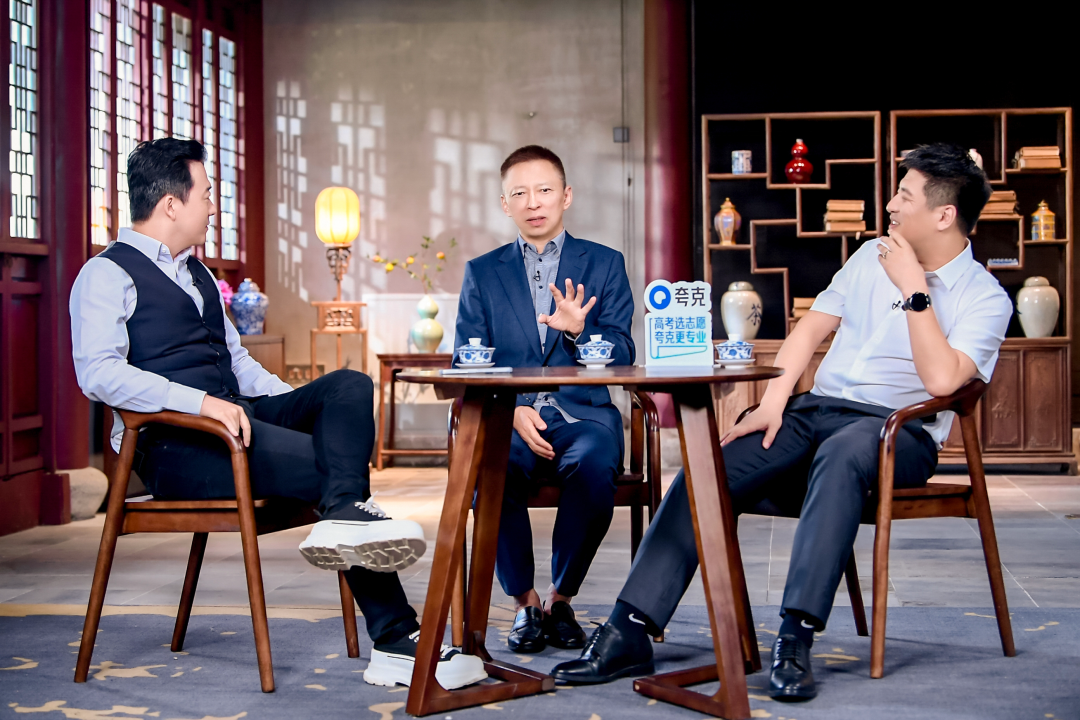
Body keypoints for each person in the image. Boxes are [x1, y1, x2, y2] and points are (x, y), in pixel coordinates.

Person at [551, 143, 1011, 701]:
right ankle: (629, 629)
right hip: (817, 412)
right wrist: (773, 401)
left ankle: (794, 637)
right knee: (710, 466)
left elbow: (942, 382)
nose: (890, 205)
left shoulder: (984, 297)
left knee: (844, 454)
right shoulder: (869, 257)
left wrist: (914, 288)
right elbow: (810, 329)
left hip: (899, 432)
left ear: (944, 214)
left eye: (904, 196)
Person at [69, 137, 485, 690]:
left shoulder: (198, 275)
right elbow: (98, 373)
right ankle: (395, 637)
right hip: (174, 447)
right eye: (206, 194)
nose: (212, 206)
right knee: (328, 469)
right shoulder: (105, 274)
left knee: (348, 388)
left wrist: (296, 407)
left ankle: (347, 515)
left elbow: (237, 363)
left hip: (234, 420)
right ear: (171, 203)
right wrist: (202, 403)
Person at [454, 145, 635, 653]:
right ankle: (525, 602)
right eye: (519, 193)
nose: (533, 202)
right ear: (505, 204)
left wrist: (579, 332)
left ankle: (560, 598)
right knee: (489, 467)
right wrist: (510, 410)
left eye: (544, 190)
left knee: (595, 462)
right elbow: (467, 358)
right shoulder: (482, 272)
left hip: (583, 415)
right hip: (508, 415)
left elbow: (624, 352)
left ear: (566, 196)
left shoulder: (605, 263)